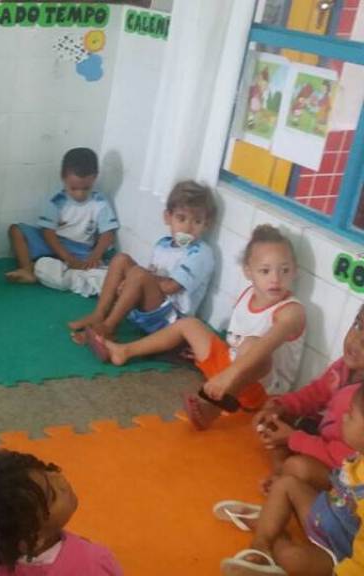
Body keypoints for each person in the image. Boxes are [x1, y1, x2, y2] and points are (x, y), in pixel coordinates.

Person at [90, 224, 306, 430]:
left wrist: (228, 376)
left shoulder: (291, 311)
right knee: (190, 324)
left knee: (253, 345)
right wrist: (217, 362)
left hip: (259, 390)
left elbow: (266, 345)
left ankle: (212, 407)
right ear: (248, 272)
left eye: (284, 270)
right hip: (225, 373)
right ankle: (124, 351)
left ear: (295, 271)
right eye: (265, 271)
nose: (275, 279)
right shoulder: (247, 295)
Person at [218, 385, 364, 575]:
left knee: (293, 559)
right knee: (286, 484)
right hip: (327, 513)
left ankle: (272, 532)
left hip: (343, 550)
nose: (343, 418)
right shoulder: (359, 455)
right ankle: (260, 546)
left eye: (351, 415)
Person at [68, 180, 216, 343]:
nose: (187, 228)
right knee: (120, 260)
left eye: (197, 221)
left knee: (138, 274)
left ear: (206, 224)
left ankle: (107, 328)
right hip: (153, 308)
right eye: (181, 218)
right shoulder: (163, 245)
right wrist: (132, 281)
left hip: (172, 321)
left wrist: (134, 279)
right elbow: (151, 277)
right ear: (168, 217)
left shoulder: (201, 253)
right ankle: (99, 315)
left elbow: (171, 287)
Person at [252, 304, 364, 493]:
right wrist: (282, 407)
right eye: (358, 325)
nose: (357, 340)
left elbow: (349, 457)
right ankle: (280, 472)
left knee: (298, 467)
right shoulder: (344, 366)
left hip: (345, 471)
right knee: (274, 412)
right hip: (322, 441)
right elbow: (316, 393)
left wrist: (294, 439)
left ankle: (288, 480)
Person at [5, 148, 118, 284]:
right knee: (16, 230)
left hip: (80, 249)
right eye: (73, 188)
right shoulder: (57, 201)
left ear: (95, 178)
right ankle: (27, 269)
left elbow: (107, 233)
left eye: (86, 188)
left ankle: (49, 266)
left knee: (98, 272)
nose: (80, 194)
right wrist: (67, 257)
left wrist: (96, 254)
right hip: (53, 243)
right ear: (63, 178)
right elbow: (48, 233)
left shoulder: (100, 203)